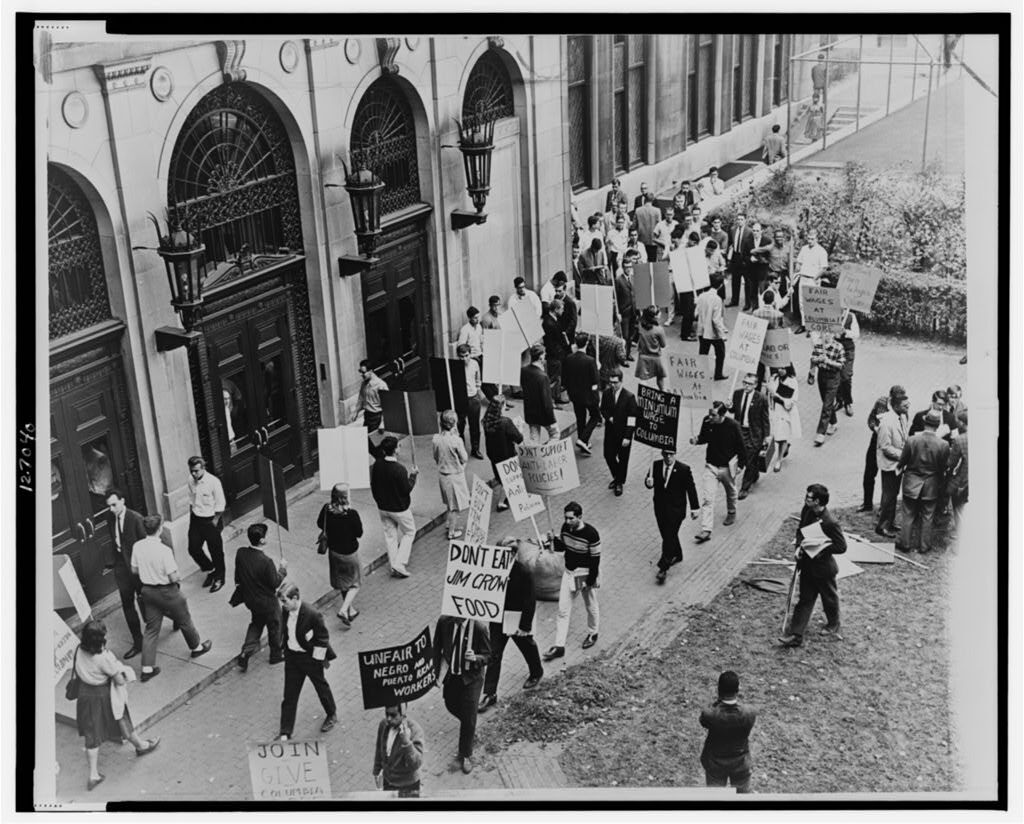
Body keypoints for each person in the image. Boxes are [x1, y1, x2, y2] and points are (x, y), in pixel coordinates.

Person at [74, 619, 160, 790]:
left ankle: (93, 775)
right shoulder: (103, 658)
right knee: (122, 720)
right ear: (100, 639)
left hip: (85, 695)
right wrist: (121, 669)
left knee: (92, 734)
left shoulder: (79, 649)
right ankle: (141, 746)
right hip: (103, 696)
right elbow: (119, 680)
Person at [131, 514, 212, 682]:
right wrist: (177, 576)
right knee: (184, 619)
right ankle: (196, 647)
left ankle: (147, 668)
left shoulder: (137, 546)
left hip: (148, 591)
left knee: (151, 629)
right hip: (167, 591)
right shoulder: (164, 550)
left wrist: (148, 573)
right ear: (159, 529)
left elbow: (134, 570)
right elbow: (173, 577)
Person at [478, 537, 544, 713]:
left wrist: (525, 626)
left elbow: (529, 600)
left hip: (516, 618)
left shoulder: (523, 572)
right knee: (494, 653)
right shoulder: (493, 570)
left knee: (526, 645)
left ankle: (536, 671)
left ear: (513, 554)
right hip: (498, 618)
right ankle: (490, 693)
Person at [779, 483, 847, 647]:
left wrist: (821, 547)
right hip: (807, 565)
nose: (805, 499)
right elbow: (800, 530)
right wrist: (798, 548)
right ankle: (796, 635)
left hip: (823, 569)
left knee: (829, 598)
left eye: (809, 497)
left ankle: (833, 624)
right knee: (805, 599)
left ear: (817, 501)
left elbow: (841, 546)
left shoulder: (830, 522)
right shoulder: (807, 510)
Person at [277, 582, 338, 739]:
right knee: (289, 696)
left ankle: (331, 713)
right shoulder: (286, 611)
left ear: (295, 598)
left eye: (285, 601)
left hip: (309, 658)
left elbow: (322, 639)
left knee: (321, 687)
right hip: (292, 658)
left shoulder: (312, 614)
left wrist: (317, 660)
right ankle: (285, 732)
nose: (283, 605)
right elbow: (285, 630)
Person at [433, 613, 491, 774]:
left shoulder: (479, 628)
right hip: (453, 675)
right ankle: (469, 725)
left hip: (472, 678)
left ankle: (465, 754)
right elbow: (436, 647)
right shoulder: (444, 622)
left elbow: (488, 656)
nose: (455, 617)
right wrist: (435, 673)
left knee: (469, 715)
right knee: (450, 703)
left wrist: (476, 658)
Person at [543, 501, 601, 661]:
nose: (567, 522)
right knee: (563, 610)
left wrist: (590, 581)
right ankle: (559, 646)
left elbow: (595, 560)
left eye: (571, 518)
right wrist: (553, 540)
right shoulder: (565, 528)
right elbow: (563, 547)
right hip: (569, 574)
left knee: (590, 605)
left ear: (580, 517)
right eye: (566, 518)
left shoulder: (591, 534)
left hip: (585, 574)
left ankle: (593, 633)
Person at [690, 401, 746, 544]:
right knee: (708, 498)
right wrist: (697, 440)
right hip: (711, 466)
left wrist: (741, 465)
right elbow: (704, 437)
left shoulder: (733, 426)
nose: (710, 417)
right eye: (709, 413)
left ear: (722, 415)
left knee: (731, 491)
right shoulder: (707, 422)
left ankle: (732, 512)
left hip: (727, 467)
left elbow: (741, 446)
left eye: (713, 415)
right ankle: (706, 529)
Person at [895, 410, 951, 554]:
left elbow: (902, 461)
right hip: (931, 485)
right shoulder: (943, 444)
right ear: (937, 426)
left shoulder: (912, 440)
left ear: (925, 422)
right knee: (928, 515)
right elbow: (944, 466)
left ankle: (905, 543)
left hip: (911, 483)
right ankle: (924, 546)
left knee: (908, 513)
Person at [234, 523, 287, 670]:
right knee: (275, 625)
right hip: (268, 602)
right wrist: (282, 569)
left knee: (256, 623)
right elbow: (275, 582)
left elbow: (238, 575)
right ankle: (276, 654)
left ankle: (245, 652)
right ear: (262, 540)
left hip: (250, 599)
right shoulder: (266, 562)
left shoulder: (241, 553)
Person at [645, 450, 699, 584]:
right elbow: (648, 481)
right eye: (666, 455)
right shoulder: (655, 466)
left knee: (669, 536)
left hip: (676, 510)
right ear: (662, 454)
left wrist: (695, 508)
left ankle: (663, 567)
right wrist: (648, 482)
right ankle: (677, 554)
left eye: (671, 454)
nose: (668, 457)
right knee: (667, 534)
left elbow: (691, 489)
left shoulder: (683, 469)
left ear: (675, 454)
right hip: (660, 508)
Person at [103, 489, 146, 659]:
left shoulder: (135, 519)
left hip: (137, 567)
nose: (112, 509)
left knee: (150, 601)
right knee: (127, 604)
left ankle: (175, 617)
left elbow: (145, 545)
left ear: (122, 501)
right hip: (122, 566)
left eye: (114, 505)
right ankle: (138, 642)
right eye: (109, 506)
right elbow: (114, 540)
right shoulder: (110, 518)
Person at [699, 670, 756, 793]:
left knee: (715, 797)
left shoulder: (710, 714)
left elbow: (703, 721)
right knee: (743, 797)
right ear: (737, 690)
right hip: (741, 763)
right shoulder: (749, 713)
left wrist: (717, 702)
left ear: (719, 690)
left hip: (715, 763)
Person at [370, 435, 419, 579]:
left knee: (390, 536)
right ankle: (400, 562)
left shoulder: (377, 465)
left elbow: (374, 486)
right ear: (395, 450)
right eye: (398, 446)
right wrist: (413, 476)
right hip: (399, 508)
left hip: (383, 507)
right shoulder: (399, 469)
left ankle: (393, 565)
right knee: (410, 532)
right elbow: (406, 489)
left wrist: (379, 501)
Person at [317, 483, 364, 626]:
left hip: (334, 553)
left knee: (343, 583)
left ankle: (351, 611)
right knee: (355, 584)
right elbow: (359, 533)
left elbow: (320, 523)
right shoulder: (351, 514)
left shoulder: (326, 509)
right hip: (350, 554)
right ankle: (344, 610)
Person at [186, 456, 226, 592]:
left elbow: (221, 504)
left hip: (211, 519)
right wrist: (192, 515)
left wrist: (214, 521)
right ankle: (210, 568)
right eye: (191, 471)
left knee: (216, 551)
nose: (193, 474)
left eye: (196, 471)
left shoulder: (213, 482)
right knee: (193, 548)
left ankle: (219, 577)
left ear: (203, 468)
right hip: (196, 518)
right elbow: (191, 499)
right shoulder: (190, 480)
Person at [875, 389, 911, 538]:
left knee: (894, 494)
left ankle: (890, 522)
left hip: (897, 465)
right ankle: (882, 526)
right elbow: (885, 447)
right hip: (890, 465)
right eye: (904, 405)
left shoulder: (901, 417)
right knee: (888, 496)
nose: (907, 407)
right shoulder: (886, 422)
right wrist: (903, 456)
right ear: (895, 406)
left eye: (908, 404)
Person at [433, 409, 470, 540]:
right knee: (455, 506)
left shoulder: (436, 439)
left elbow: (435, 456)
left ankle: (449, 524)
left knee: (450, 503)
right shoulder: (456, 440)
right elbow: (464, 458)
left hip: (443, 474)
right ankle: (452, 532)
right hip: (455, 476)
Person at [372, 704, 425, 797]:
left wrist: (406, 742)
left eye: (393, 715)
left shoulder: (415, 730)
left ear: (403, 714)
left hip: (408, 785)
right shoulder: (383, 724)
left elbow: (416, 763)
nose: (389, 719)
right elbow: (379, 749)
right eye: (387, 714)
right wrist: (376, 771)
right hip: (388, 781)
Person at [600, 368, 638, 497]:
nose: (613, 385)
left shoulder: (629, 397)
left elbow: (632, 419)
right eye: (611, 382)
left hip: (623, 434)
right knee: (608, 455)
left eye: (615, 382)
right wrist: (609, 417)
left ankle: (619, 482)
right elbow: (603, 409)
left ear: (621, 381)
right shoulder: (606, 394)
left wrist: (628, 436)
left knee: (623, 459)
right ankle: (618, 477)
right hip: (610, 432)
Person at [482, 394, 523, 512]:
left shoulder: (486, 421)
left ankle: (500, 500)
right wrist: (519, 429)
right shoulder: (505, 422)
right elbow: (519, 438)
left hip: (494, 455)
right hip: (507, 455)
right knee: (508, 479)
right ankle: (503, 501)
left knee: (499, 478)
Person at [732, 372, 771, 499]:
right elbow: (734, 410)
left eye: (749, 384)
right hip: (739, 431)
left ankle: (745, 487)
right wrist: (729, 407)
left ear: (755, 385)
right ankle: (754, 473)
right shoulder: (737, 394)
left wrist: (766, 436)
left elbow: (765, 418)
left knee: (749, 460)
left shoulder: (761, 398)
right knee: (745, 456)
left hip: (753, 433)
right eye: (744, 383)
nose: (746, 386)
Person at [858, 390, 897, 513]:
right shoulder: (881, 402)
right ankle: (867, 503)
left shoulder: (900, 409)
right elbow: (871, 419)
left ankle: (883, 508)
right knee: (869, 474)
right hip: (875, 442)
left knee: (887, 478)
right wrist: (875, 428)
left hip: (890, 444)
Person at [564, 331, 601, 455]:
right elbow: (595, 381)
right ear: (586, 343)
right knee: (595, 416)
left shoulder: (569, 358)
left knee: (580, 418)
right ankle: (583, 439)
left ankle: (583, 441)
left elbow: (565, 379)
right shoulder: (590, 361)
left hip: (575, 395)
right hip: (588, 395)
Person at [808, 331, 846, 447]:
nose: (827, 335)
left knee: (827, 404)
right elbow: (812, 359)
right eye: (825, 333)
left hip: (833, 377)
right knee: (825, 401)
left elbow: (841, 365)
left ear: (834, 334)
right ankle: (833, 422)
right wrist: (816, 363)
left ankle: (821, 433)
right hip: (822, 375)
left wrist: (828, 361)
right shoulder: (818, 345)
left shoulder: (839, 347)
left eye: (829, 333)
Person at [520, 343, 559, 443]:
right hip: (543, 413)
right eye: (544, 354)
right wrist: (552, 418)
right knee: (555, 435)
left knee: (534, 438)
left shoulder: (523, 371)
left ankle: (535, 452)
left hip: (530, 410)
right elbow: (546, 401)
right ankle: (546, 451)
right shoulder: (542, 376)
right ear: (541, 357)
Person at [792, 229, 828, 333]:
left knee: (812, 303)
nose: (810, 241)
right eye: (808, 238)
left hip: (813, 280)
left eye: (812, 239)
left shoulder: (821, 251)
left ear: (817, 239)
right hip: (803, 278)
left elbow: (824, 268)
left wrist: (815, 278)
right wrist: (797, 269)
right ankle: (804, 325)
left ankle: (812, 327)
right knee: (802, 303)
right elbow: (799, 262)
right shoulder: (804, 249)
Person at [767, 367, 801, 473]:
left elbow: (792, 400)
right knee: (776, 436)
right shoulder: (773, 378)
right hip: (773, 411)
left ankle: (779, 460)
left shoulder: (792, 381)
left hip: (785, 413)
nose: (780, 370)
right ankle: (785, 447)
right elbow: (769, 393)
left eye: (783, 368)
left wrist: (779, 398)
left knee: (782, 436)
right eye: (779, 368)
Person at [696, 274, 729, 380]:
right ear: (720, 285)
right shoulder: (717, 299)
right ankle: (718, 374)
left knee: (703, 353)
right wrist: (722, 334)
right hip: (713, 332)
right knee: (720, 353)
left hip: (702, 330)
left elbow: (696, 313)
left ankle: (702, 374)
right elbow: (716, 320)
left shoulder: (701, 296)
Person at [455, 343, 485, 459]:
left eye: (466, 355)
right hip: (460, 399)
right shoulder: (455, 365)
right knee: (460, 424)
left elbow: (478, 379)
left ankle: (475, 449)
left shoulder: (475, 364)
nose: (464, 359)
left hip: (473, 398)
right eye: (461, 356)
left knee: (475, 425)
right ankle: (461, 449)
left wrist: (477, 390)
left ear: (470, 354)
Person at [354, 360, 389, 459]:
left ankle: (382, 462)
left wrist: (382, 423)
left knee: (377, 445)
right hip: (368, 417)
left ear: (371, 371)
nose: (362, 375)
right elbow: (361, 399)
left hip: (376, 417)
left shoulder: (381, 385)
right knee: (366, 443)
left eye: (363, 372)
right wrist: (356, 412)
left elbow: (387, 407)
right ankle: (381, 461)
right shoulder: (364, 384)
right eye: (360, 372)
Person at [542, 298, 570, 404]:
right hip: (554, 355)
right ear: (556, 309)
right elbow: (551, 342)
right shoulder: (549, 323)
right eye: (561, 309)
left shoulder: (551, 320)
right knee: (554, 378)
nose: (563, 311)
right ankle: (553, 400)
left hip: (556, 354)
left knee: (557, 377)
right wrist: (559, 353)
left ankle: (556, 396)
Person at [946, 410, 968, 543]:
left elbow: (951, 463)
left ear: (963, 423)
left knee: (958, 507)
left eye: (958, 421)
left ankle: (962, 535)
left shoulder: (960, 439)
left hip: (963, 480)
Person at [635, 306, 668, 391]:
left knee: (643, 380)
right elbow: (663, 345)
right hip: (656, 357)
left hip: (643, 356)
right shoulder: (659, 329)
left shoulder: (640, 326)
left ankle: (643, 396)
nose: (660, 314)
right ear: (655, 316)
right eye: (659, 312)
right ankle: (663, 392)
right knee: (660, 378)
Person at [742, 222, 773, 312]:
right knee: (752, 291)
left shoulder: (767, 241)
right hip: (751, 270)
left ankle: (763, 309)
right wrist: (750, 259)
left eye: (757, 231)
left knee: (762, 291)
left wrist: (762, 259)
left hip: (762, 271)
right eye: (754, 231)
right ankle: (755, 309)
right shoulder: (747, 241)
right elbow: (744, 255)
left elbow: (770, 255)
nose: (755, 233)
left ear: (761, 231)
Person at [835, 311, 860, 416]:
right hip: (835, 349)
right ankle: (839, 400)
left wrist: (845, 332)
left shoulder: (850, 316)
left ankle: (848, 402)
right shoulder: (831, 314)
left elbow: (856, 334)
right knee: (836, 374)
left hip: (848, 349)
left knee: (846, 376)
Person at [614, 256, 638, 361]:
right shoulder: (618, 280)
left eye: (630, 267)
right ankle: (622, 357)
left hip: (633, 312)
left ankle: (628, 354)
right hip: (624, 313)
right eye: (626, 267)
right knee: (625, 336)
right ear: (623, 267)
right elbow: (615, 298)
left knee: (631, 335)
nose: (628, 269)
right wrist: (617, 313)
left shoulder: (633, 278)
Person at [726, 211, 752, 308]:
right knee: (735, 280)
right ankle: (734, 300)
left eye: (741, 219)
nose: (739, 221)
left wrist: (748, 259)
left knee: (747, 282)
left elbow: (751, 245)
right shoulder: (733, 230)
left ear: (745, 220)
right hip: (735, 257)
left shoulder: (749, 231)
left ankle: (748, 303)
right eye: (738, 219)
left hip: (744, 258)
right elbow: (730, 243)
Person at [634, 192, 662, 262]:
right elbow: (659, 227)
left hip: (641, 240)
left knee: (642, 260)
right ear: (653, 200)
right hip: (653, 240)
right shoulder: (657, 211)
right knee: (652, 262)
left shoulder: (638, 210)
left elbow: (634, 225)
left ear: (644, 199)